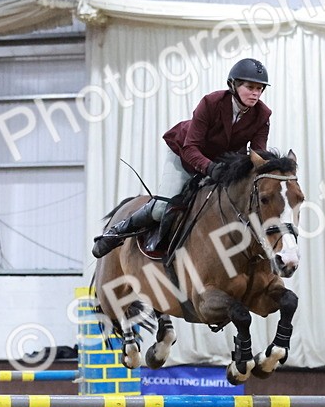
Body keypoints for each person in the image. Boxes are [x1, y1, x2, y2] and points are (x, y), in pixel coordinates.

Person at [92, 57, 272, 257]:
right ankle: (119, 231)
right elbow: (190, 147)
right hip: (185, 155)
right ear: (233, 85)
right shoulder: (211, 103)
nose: (256, 93)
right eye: (250, 87)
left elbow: (257, 157)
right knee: (161, 209)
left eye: (260, 88)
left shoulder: (262, 116)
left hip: (221, 165)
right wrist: (210, 168)